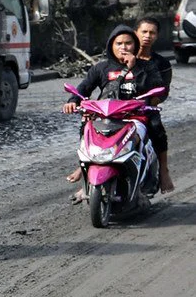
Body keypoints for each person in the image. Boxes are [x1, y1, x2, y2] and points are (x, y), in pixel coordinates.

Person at [62, 25, 164, 202]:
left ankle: (147, 181)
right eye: (119, 43)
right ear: (111, 46)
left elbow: (157, 89)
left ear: (135, 45)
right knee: (87, 127)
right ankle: (85, 171)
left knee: (148, 134)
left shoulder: (146, 67)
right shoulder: (101, 68)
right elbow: (84, 88)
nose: (123, 47)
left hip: (134, 118)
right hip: (106, 116)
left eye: (128, 43)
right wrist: (72, 102)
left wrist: (134, 68)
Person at [135, 17, 174, 193]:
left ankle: (163, 171)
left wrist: (151, 102)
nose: (147, 36)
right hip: (118, 107)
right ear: (136, 32)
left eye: (152, 33)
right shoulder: (122, 55)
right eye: (144, 31)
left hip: (145, 108)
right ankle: (83, 172)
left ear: (157, 36)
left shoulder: (162, 63)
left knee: (157, 128)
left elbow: (164, 91)